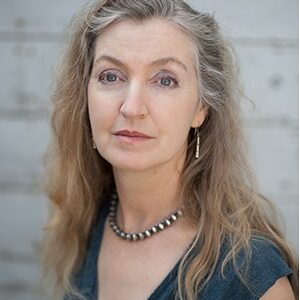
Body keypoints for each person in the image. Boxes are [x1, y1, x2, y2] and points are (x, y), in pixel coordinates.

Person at [40, 0, 298, 299]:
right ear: (84, 96)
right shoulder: (83, 223)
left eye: (165, 80)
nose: (132, 107)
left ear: (201, 108)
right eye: (111, 76)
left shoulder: (249, 276)